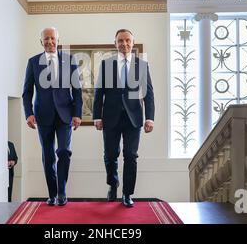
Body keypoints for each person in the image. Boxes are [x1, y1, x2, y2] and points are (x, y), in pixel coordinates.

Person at [93, 29, 155, 208]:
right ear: (115, 43)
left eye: (127, 40)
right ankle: (113, 184)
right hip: (110, 118)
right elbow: (99, 93)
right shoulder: (106, 64)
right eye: (120, 41)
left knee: (131, 156)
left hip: (134, 118)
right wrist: (97, 116)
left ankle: (127, 193)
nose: (124, 44)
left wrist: (149, 118)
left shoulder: (141, 65)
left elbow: (149, 93)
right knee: (110, 155)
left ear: (132, 43)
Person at [22, 27, 83, 206]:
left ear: (58, 39)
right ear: (41, 41)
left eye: (52, 38)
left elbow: (77, 90)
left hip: (65, 115)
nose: (49, 42)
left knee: (64, 151)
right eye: (46, 39)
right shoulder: (33, 62)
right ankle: (52, 194)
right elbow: (27, 92)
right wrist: (28, 114)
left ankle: (62, 191)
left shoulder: (69, 60)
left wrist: (77, 114)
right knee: (48, 156)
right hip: (43, 116)